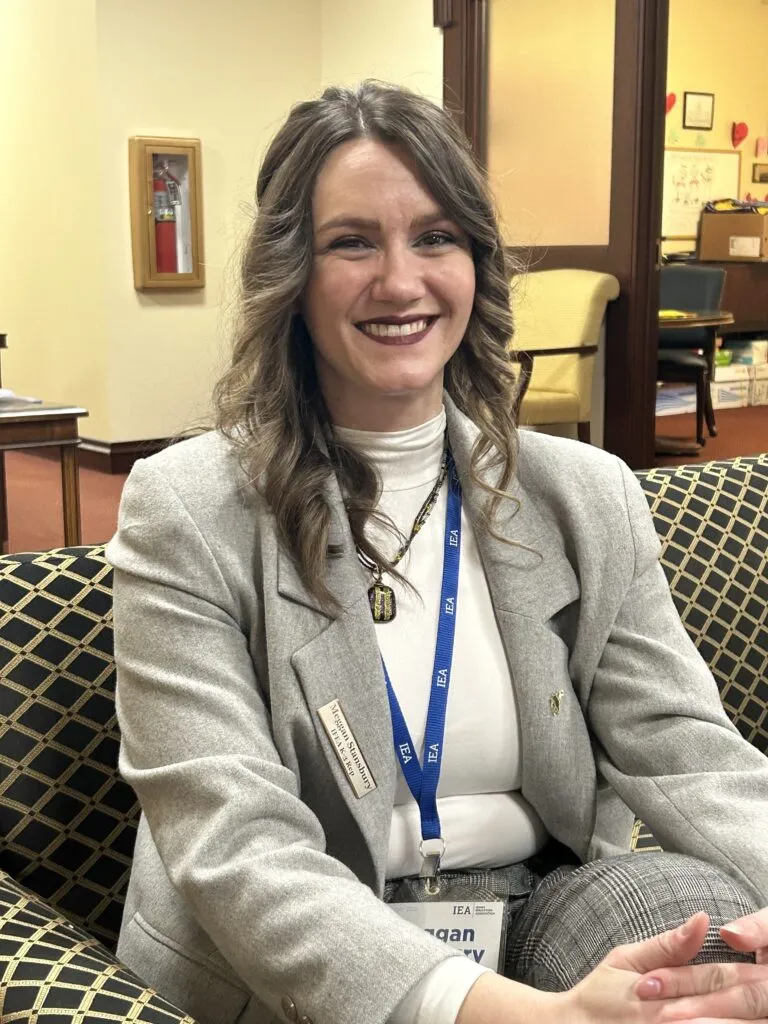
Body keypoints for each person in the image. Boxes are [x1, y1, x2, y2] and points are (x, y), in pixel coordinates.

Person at [107, 81, 768, 1024]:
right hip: (300, 935)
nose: (401, 281)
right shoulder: (188, 509)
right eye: (351, 242)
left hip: (537, 897)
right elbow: (234, 842)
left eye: (436, 237)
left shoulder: (584, 494)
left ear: (476, 265)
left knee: (694, 967)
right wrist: (526, 1015)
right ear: (291, 275)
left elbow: (691, 754)